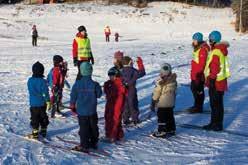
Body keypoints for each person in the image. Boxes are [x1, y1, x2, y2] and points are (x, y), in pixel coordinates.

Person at [70, 62, 102, 153]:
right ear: (91, 71)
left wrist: (72, 105)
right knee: (93, 127)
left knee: (84, 128)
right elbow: (99, 95)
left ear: (81, 71)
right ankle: (94, 142)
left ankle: (84, 145)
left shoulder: (77, 84)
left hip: (82, 112)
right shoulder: (95, 84)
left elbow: (73, 96)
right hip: (92, 111)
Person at [203, 30, 230, 131]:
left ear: (213, 40)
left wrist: (212, 80)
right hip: (221, 82)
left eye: (210, 40)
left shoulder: (216, 51)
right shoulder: (221, 50)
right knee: (218, 104)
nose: (209, 42)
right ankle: (217, 123)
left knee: (215, 105)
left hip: (215, 82)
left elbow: (214, 67)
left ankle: (215, 124)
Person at [150, 63, 177, 138]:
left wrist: (154, 100)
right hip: (171, 102)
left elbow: (157, 92)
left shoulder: (161, 82)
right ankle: (171, 129)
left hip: (162, 103)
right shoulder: (173, 80)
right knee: (170, 116)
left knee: (161, 116)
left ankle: (162, 130)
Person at [187, 32, 210, 113]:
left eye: (194, 40)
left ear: (198, 40)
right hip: (195, 73)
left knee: (198, 90)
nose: (193, 41)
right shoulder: (198, 48)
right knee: (194, 89)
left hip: (199, 74)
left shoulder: (203, 49)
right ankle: (197, 105)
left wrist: (198, 75)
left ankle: (198, 107)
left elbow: (202, 64)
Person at [27, 61, 51, 139]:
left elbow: (31, 89)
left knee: (35, 118)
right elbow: (45, 93)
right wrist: (48, 101)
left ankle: (35, 132)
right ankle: (43, 130)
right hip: (42, 104)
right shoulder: (42, 81)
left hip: (33, 104)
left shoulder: (30, 80)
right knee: (43, 117)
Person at [103, 67, 127, 143]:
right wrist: (106, 85)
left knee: (114, 120)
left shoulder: (119, 83)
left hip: (116, 106)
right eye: (109, 75)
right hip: (110, 105)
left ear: (116, 75)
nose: (110, 77)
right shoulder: (110, 83)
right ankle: (119, 135)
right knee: (111, 118)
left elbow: (124, 91)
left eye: (112, 75)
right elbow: (107, 91)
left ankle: (112, 136)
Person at [121, 56, 145, 125]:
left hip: (123, 91)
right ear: (130, 63)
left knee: (125, 105)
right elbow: (142, 72)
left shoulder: (121, 71)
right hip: (132, 90)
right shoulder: (133, 71)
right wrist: (139, 62)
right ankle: (135, 119)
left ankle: (125, 119)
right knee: (133, 104)